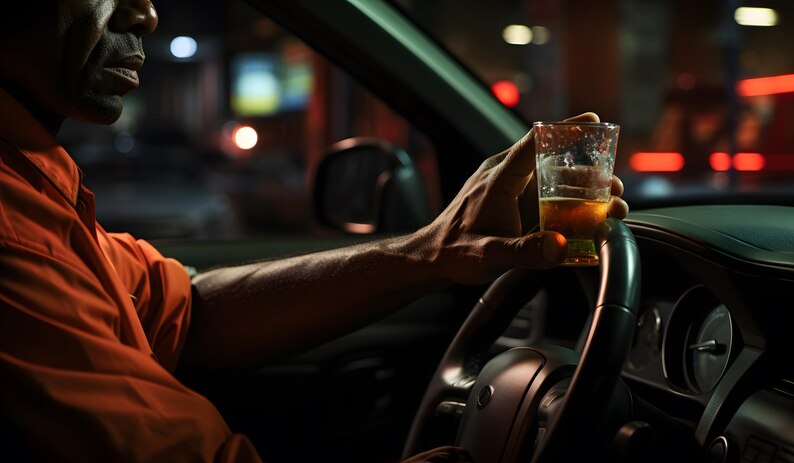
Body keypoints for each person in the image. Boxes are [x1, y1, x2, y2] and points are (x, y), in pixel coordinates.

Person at [0, 1, 629, 461]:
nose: (145, 14)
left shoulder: (35, 183)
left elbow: (187, 313)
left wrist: (433, 250)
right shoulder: (11, 228)